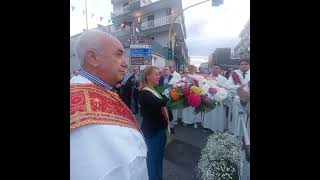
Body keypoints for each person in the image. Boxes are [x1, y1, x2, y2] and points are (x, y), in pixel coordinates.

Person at [70, 31, 148, 180]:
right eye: (118, 55)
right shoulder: (80, 104)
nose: (125, 63)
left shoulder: (99, 89)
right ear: (92, 58)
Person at [138, 66, 169, 180]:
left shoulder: (155, 89)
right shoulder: (144, 92)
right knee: (152, 160)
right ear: (147, 76)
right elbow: (159, 104)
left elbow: (163, 106)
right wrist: (172, 97)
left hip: (160, 129)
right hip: (152, 132)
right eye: (156, 74)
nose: (159, 76)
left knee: (159, 158)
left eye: (159, 74)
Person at [203, 64, 228, 132]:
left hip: (219, 99)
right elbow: (203, 86)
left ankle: (219, 128)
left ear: (220, 69)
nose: (215, 69)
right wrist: (208, 91)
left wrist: (218, 90)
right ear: (211, 69)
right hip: (209, 98)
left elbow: (226, 88)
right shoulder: (207, 77)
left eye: (217, 68)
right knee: (209, 113)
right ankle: (208, 126)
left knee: (219, 113)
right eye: (213, 68)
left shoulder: (223, 78)